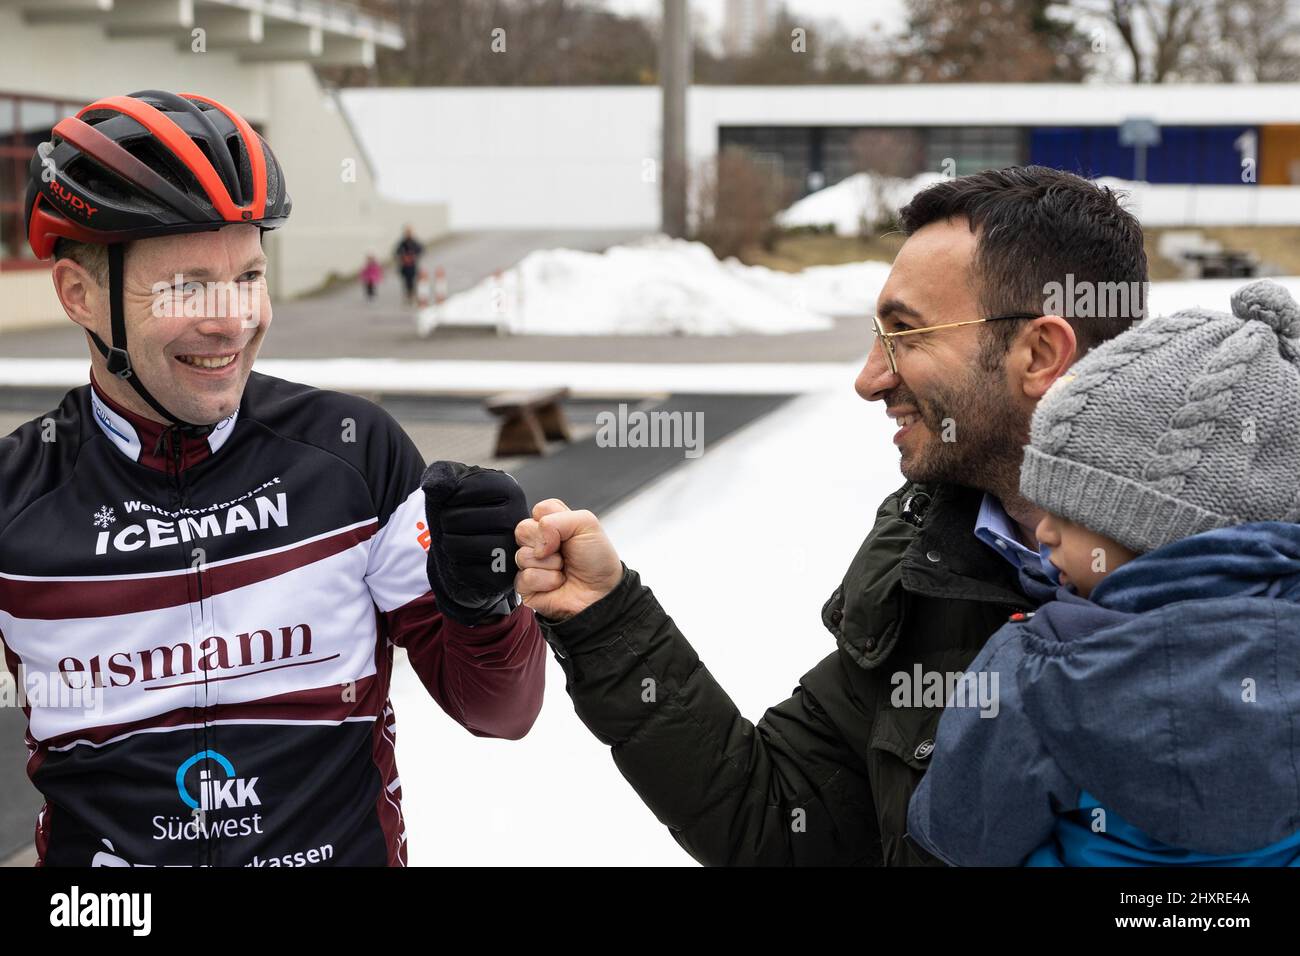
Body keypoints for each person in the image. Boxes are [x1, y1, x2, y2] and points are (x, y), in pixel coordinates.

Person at [511, 166, 1150, 865]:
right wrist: (607, 619)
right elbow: (779, 817)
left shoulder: (1245, 597)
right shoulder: (926, 557)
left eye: (906, 334)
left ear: (1039, 353)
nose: (869, 378)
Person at [2, 90, 544, 867]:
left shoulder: (354, 458)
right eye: (186, 287)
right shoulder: (18, 498)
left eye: (249, 276)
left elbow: (501, 712)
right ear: (80, 296)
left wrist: (485, 605)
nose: (232, 320)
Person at [907, 279, 1300, 866]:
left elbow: (956, 831)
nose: (1043, 532)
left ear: (1147, 522)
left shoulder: (1041, 665)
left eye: (1067, 510)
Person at [394, 227, 424, 307]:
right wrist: (403, 256)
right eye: (407, 232)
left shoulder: (414, 242)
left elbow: (420, 249)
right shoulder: (402, 243)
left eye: (409, 232)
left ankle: (412, 296)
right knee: (406, 282)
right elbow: (396, 252)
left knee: (412, 281)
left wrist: (414, 255)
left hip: (412, 266)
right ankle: (408, 296)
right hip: (404, 266)